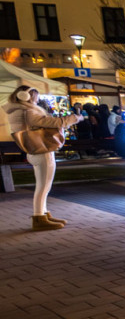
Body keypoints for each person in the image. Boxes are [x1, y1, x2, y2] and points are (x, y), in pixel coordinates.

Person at [2, 86, 83, 230]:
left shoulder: (19, 110)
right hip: (42, 151)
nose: (38, 99)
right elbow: (56, 123)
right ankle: (39, 218)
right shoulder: (29, 111)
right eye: (35, 96)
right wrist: (75, 118)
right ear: (25, 96)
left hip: (35, 151)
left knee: (43, 186)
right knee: (43, 186)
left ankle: (44, 214)